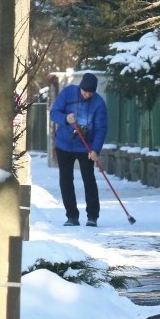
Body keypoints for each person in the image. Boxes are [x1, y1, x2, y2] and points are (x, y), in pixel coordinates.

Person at [49, 72, 109, 227]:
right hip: (64, 144)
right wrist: (65, 119)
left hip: (85, 147)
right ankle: (72, 216)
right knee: (66, 180)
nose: (87, 95)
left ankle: (92, 216)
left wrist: (95, 149)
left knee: (89, 179)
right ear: (80, 87)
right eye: (84, 91)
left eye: (90, 93)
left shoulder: (98, 103)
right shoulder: (68, 93)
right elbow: (54, 113)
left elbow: (101, 128)